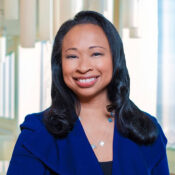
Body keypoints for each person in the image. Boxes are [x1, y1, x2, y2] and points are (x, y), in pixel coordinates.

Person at [7, 11, 170, 175]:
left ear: (115, 58)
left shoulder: (147, 130)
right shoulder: (37, 133)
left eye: (96, 53)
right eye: (72, 56)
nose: (84, 67)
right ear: (60, 64)